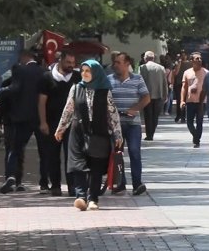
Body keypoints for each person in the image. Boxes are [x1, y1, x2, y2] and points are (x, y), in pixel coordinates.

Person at [55, 60, 122, 211]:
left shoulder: (105, 91)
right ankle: (80, 197)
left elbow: (113, 115)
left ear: (95, 73)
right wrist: (61, 128)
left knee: (96, 166)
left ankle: (93, 198)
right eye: (82, 70)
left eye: (88, 71)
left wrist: (118, 134)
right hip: (78, 131)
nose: (84, 74)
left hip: (99, 132)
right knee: (78, 164)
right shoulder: (76, 88)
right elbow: (68, 110)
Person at [0, 49, 48, 194]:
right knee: (44, 152)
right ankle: (44, 182)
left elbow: (15, 89)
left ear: (24, 57)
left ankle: (11, 176)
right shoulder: (45, 72)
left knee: (15, 149)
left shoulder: (20, 71)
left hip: (22, 117)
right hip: (40, 118)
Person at [38, 51, 79, 197]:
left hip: (72, 123)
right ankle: (55, 185)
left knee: (72, 155)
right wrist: (43, 122)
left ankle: (72, 186)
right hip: (52, 123)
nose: (71, 66)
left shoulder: (77, 77)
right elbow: (42, 101)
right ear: (60, 60)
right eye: (68, 63)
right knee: (52, 155)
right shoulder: (47, 77)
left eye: (73, 63)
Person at [108, 52, 150, 195]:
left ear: (127, 64)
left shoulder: (137, 79)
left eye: (118, 62)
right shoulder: (109, 80)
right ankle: (120, 183)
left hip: (133, 124)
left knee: (134, 151)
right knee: (117, 154)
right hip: (115, 124)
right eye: (114, 62)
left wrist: (135, 109)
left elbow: (146, 98)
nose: (115, 65)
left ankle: (137, 183)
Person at [181, 52, 209, 148]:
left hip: (202, 101)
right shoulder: (187, 72)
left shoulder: (206, 73)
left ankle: (197, 140)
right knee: (189, 122)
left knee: (199, 121)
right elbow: (184, 87)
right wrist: (182, 100)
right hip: (190, 101)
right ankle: (196, 136)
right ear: (191, 61)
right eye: (197, 59)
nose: (199, 60)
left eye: (200, 58)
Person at [139, 51, 168, 141]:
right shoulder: (161, 68)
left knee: (148, 116)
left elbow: (139, 82)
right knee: (155, 116)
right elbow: (164, 82)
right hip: (158, 95)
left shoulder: (142, 67)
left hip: (146, 95)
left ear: (146, 58)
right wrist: (165, 94)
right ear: (153, 58)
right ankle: (152, 132)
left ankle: (149, 134)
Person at [172, 51, 192, 123]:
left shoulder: (186, 64)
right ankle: (181, 116)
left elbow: (175, 73)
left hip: (182, 83)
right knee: (182, 100)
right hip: (183, 83)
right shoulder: (189, 64)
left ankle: (181, 116)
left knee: (182, 100)